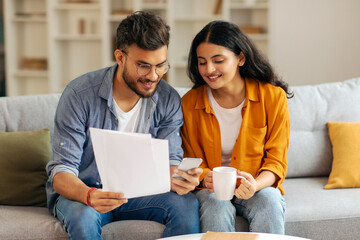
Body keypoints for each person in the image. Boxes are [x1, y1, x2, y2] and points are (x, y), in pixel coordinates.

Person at [46, 11, 202, 240]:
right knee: (82, 217)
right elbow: (61, 172)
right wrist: (89, 195)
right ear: (120, 57)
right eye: (143, 66)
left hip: (141, 195)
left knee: (186, 205)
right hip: (87, 192)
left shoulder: (168, 99)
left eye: (160, 66)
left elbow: (170, 161)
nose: (153, 76)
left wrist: (180, 178)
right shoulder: (79, 94)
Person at [181, 20, 293, 234]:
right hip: (210, 191)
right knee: (215, 203)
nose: (209, 69)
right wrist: (205, 177)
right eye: (202, 62)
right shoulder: (189, 103)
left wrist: (255, 185)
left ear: (240, 58)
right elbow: (187, 161)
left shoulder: (272, 97)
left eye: (218, 60)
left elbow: (276, 162)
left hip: (256, 186)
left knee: (269, 199)